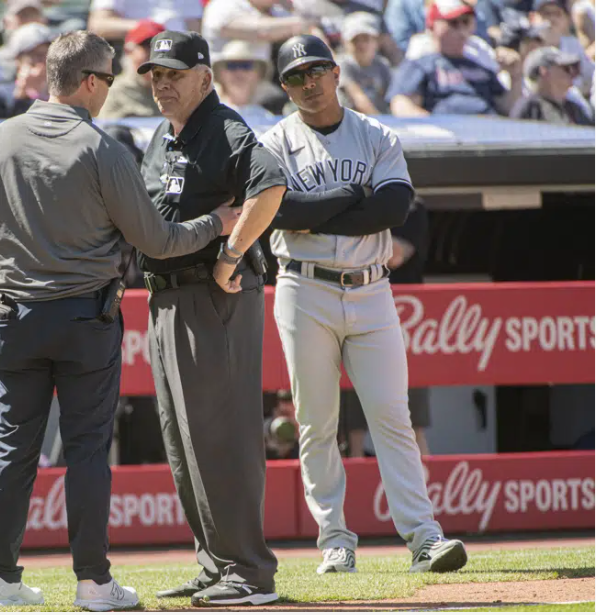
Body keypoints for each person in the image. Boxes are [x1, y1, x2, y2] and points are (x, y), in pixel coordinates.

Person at [0, 29, 239, 611]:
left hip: (15, 318)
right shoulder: (102, 149)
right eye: (109, 79)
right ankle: (92, 584)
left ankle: (1, 581)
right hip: (86, 318)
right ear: (89, 82)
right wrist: (218, 221)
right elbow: (159, 242)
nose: (111, 90)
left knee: (13, 449)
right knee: (85, 451)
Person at [259, 34, 469, 576]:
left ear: (334, 71)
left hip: (372, 287)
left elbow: (393, 207)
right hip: (303, 286)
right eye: (295, 76)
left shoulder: (375, 132)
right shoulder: (275, 140)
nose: (308, 83)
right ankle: (334, 538)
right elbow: (277, 212)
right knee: (316, 421)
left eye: (316, 70)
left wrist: (318, 211)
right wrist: (353, 199)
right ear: (284, 86)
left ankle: (423, 537)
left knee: (392, 416)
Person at [136, 30, 287, 607]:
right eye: (155, 74)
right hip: (166, 296)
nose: (162, 84)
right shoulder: (162, 135)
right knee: (182, 441)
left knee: (221, 438)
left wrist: (231, 253)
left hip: (212, 295)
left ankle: (250, 572)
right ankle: (217, 562)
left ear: (205, 76)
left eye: (174, 73)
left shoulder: (223, 127)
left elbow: (269, 185)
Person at [341, 198, 433, 458]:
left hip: (405, 320)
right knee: (354, 424)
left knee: (412, 422)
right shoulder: (355, 202)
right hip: (358, 312)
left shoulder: (411, 206)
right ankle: (357, 490)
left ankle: (425, 492)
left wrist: (354, 235)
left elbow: (395, 254)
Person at [387, 0, 522, 116]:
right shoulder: (421, 64)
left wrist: (515, 76)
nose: (461, 29)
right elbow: (401, 104)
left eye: (466, 22)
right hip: (449, 140)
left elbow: (507, 108)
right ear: (432, 26)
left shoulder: (480, 64)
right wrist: (433, 128)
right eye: (453, 23)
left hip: (487, 134)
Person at [96, 19, 164, 119]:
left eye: (160, 47)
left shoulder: (176, 91)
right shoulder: (112, 92)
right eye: (147, 46)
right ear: (128, 50)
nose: (154, 54)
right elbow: (105, 130)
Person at [511, 45, 595, 123]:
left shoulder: (574, 109)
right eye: (566, 69)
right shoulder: (528, 108)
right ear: (544, 71)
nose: (572, 74)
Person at [337, 12, 392, 115]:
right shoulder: (342, 65)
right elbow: (358, 98)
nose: (361, 45)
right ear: (345, 43)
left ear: (377, 41)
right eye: (355, 40)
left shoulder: (382, 65)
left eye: (366, 39)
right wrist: (381, 124)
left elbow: (392, 98)